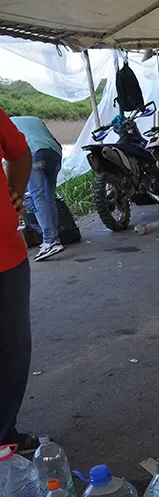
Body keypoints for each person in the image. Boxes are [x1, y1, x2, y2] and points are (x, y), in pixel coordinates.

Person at [0, 106, 39, 452]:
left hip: (5, 257)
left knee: (12, 352)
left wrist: (14, 192)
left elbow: (19, 152)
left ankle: (3, 435)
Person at [9, 116, 63, 261]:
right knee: (49, 196)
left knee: (36, 196)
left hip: (33, 152)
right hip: (54, 152)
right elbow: (56, 142)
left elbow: (12, 154)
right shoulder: (34, 119)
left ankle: (50, 241)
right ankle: (55, 238)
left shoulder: (8, 124)